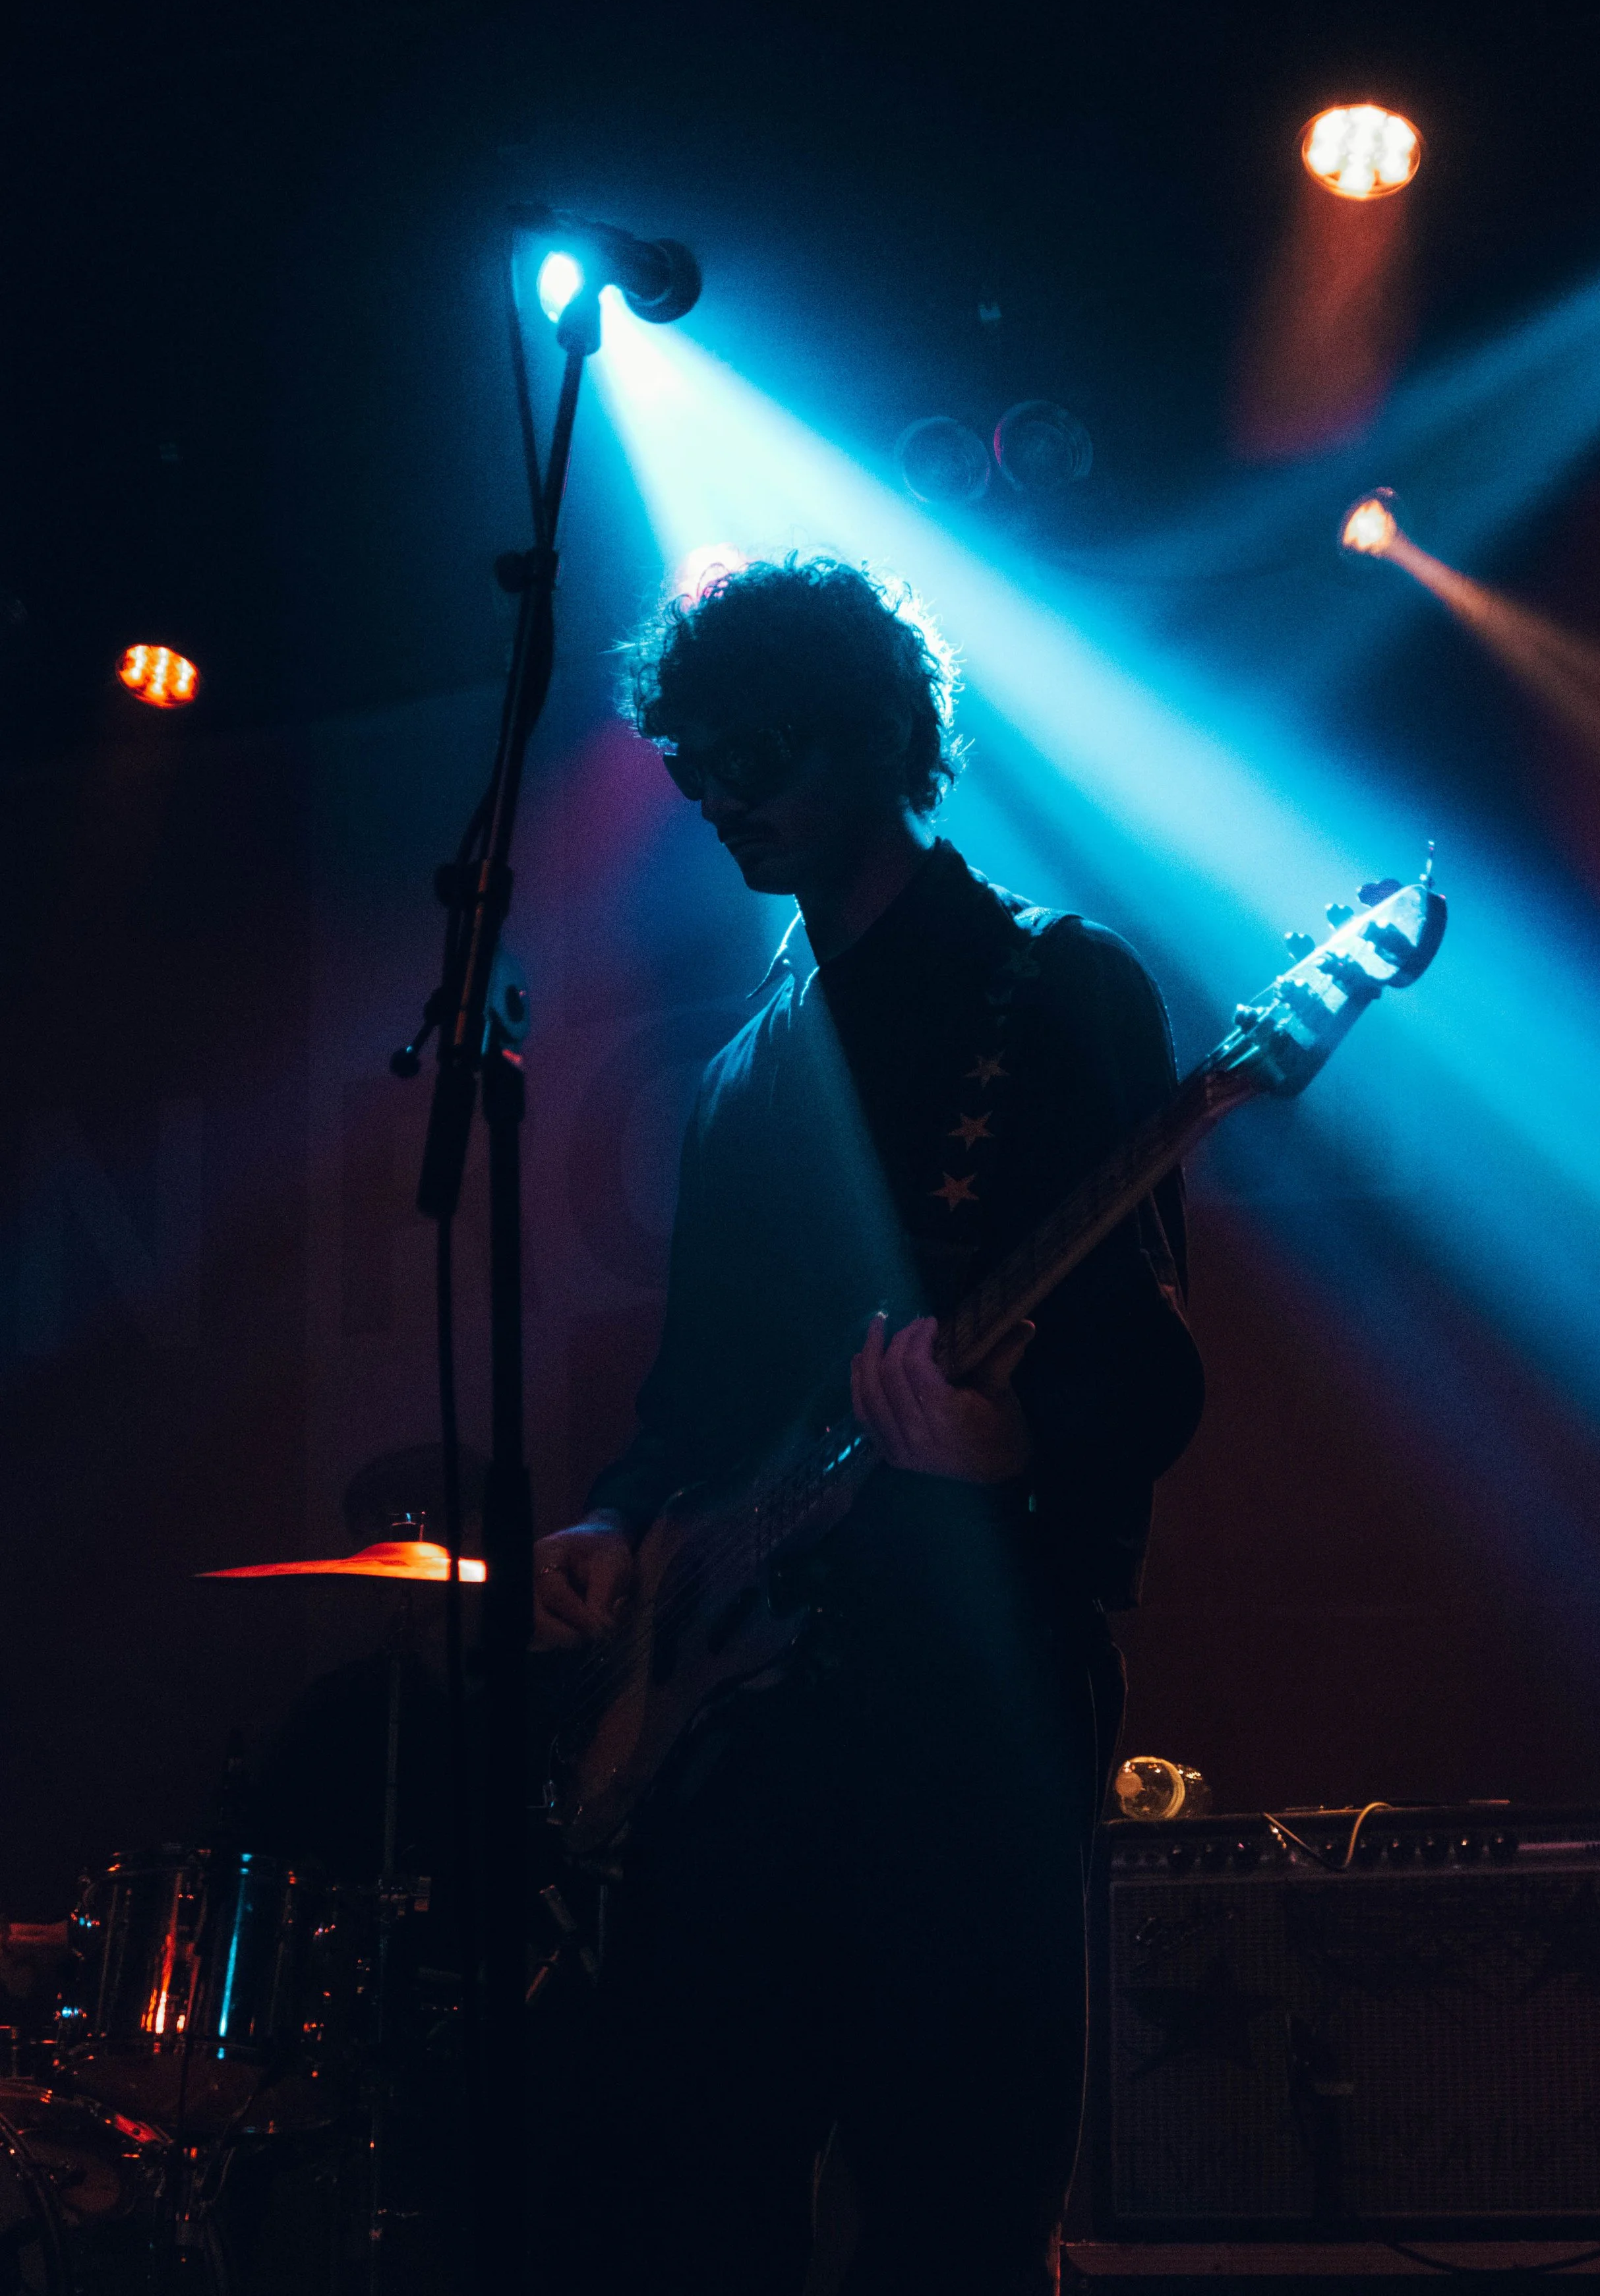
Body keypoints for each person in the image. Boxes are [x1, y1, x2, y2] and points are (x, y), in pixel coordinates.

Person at [533, 557, 1204, 2295]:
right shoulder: (740, 1067)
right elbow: (692, 1402)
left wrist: (1013, 1444)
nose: (717, 793)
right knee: (690, 2207)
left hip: (965, 1713)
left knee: (950, 2218)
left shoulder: (1048, 987)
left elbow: (1147, 1370)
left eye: (755, 751)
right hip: (737, 1727)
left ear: (878, 733)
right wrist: (613, 1522)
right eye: (692, 759)